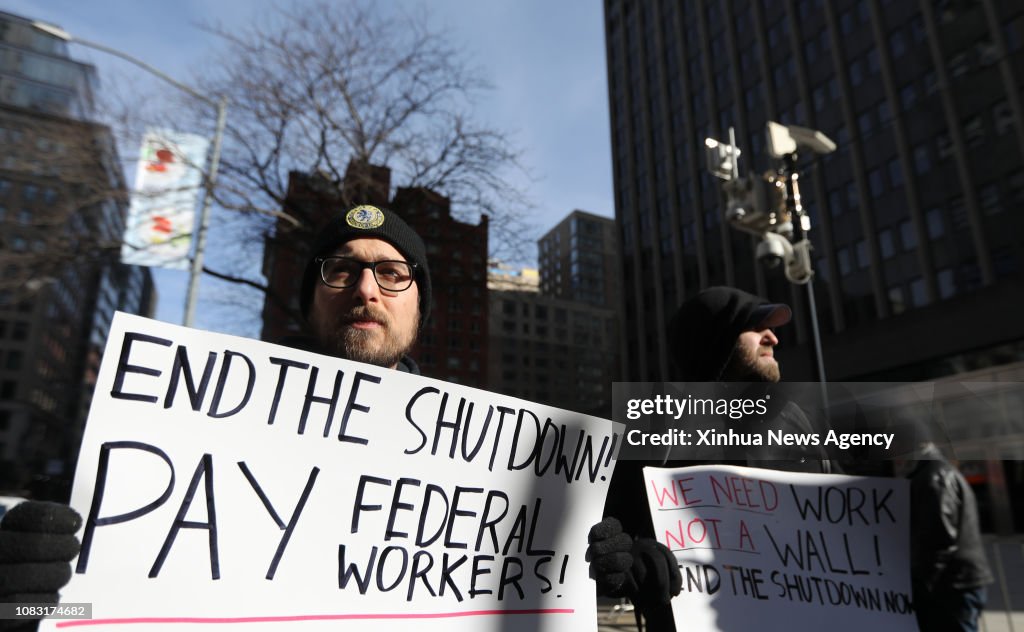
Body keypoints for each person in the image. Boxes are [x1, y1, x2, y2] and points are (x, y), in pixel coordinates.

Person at [0, 204, 432, 629]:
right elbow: (105, 606)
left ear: (419, 306)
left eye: (392, 273)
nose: (366, 289)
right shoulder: (179, 435)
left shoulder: (468, 465)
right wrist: (18, 609)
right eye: (341, 269)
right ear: (311, 300)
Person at [587, 286, 833, 632]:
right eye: (756, 327)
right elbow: (605, 537)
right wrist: (633, 557)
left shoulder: (797, 423)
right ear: (716, 340)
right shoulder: (656, 424)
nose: (772, 338)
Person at [898, 441, 993, 632]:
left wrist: (921, 586)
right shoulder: (933, 472)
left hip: (952, 586)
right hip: (955, 583)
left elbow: (939, 538)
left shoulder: (934, 475)